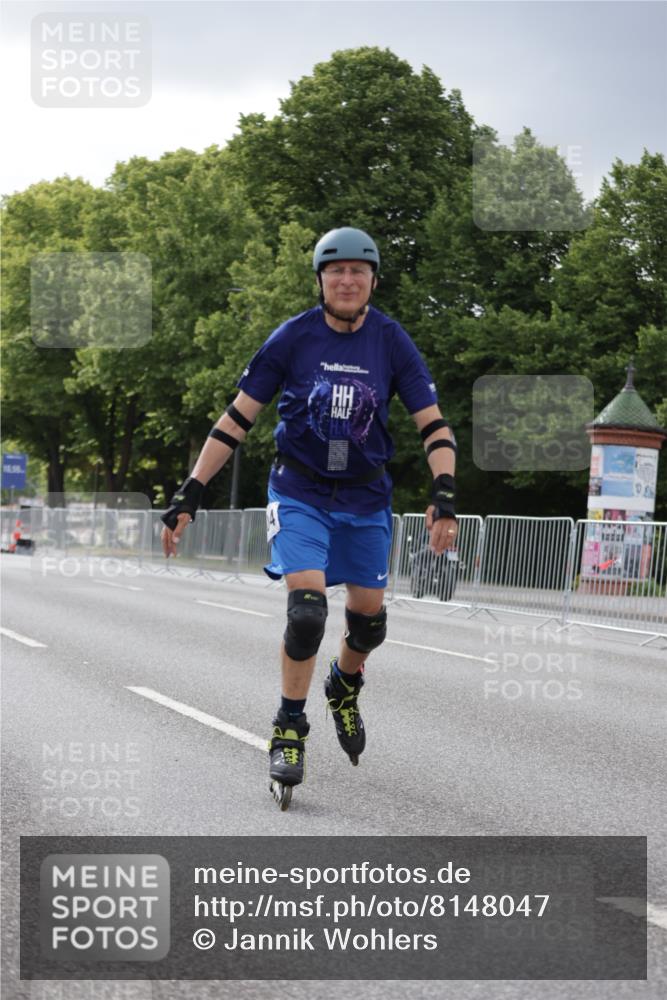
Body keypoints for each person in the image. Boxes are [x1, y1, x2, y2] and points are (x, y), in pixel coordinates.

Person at [160, 227, 458, 809]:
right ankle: (289, 728)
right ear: (321, 279)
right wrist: (191, 491)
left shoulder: (392, 342)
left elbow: (434, 425)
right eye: (336, 271)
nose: (347, 280)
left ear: (373, 280)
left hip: (367, 499)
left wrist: (444, 492)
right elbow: (236, 420)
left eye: (359, 271)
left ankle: (344, 686)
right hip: (299, 491)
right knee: (307, 614)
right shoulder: (292, 339)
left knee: (369, 624)